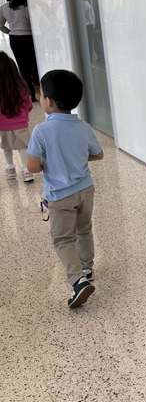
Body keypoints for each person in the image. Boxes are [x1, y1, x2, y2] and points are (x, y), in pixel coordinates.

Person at [27, 69, 104, 309]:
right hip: (85, 190)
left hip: (60, 196)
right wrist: (75, 158)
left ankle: (77, 280)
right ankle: (87, 267)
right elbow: (98, 154)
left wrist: (50, 161)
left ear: (49, 102)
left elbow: (32, 167)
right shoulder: (82, 126)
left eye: (41, 95)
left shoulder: (41, 131)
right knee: (84, 229)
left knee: (63, 239)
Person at [0, 0, 39, 101]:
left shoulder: (4, 8)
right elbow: (35, 23)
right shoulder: (28, 6)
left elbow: (0, 25)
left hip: (15, 39)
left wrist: (10, 32)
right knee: (34, 63)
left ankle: (30, 94)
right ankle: (39, 86)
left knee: (22, 66)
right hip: (29, 38)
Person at [0, 51, 34, 183]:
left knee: (6, 146)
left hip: (2, 126)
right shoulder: (21, 87)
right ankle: (26, 170)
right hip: (21, 124)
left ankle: (10, 168)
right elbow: (28, 104)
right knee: (22, 147)